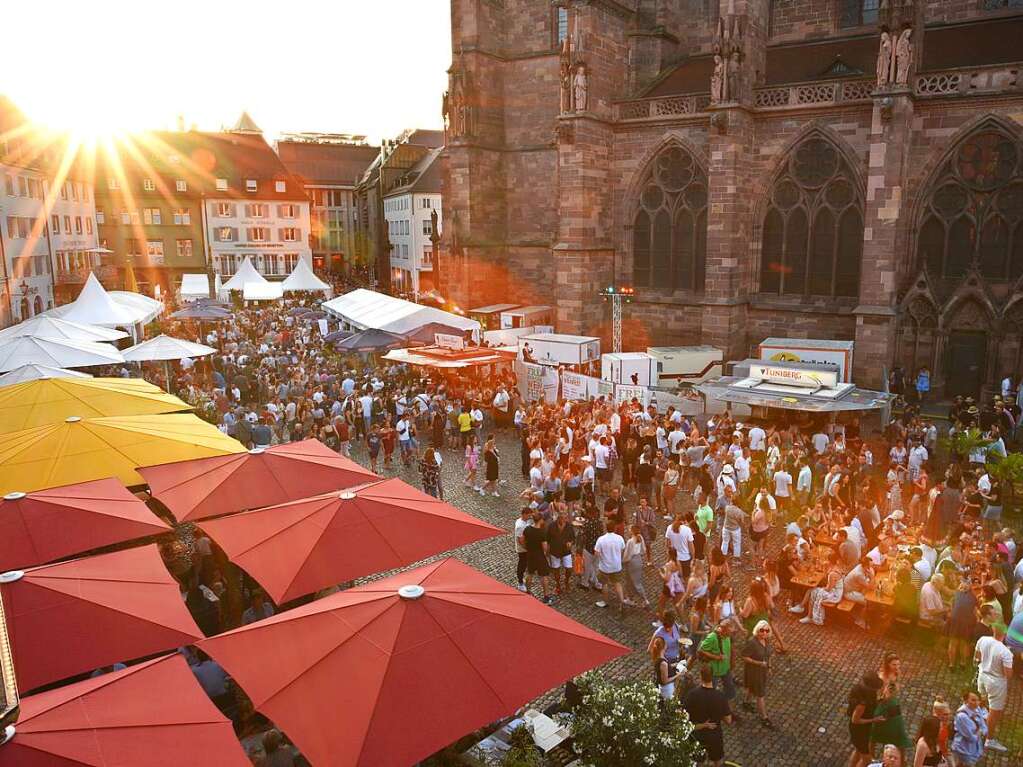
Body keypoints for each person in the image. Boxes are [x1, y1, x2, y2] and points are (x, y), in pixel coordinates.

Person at [683, 664, 733, 767]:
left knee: (698, 762)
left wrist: (702, 725)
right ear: (712, 676)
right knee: (718, 762)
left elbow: (683, 718)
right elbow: (728, 721)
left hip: (697, 735)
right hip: (714, 735)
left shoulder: (692, 695)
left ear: (701, 676)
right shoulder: (720, 696)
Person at [974, 622, 1012, 752]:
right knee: (994, 713)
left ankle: (977, 725)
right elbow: (1008, 674)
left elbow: (977, 658)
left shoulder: (982, 639)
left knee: (982, 701)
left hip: (982, 676)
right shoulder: (1006, 652)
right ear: (1005, 634)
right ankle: (989, 739)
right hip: (996, 683)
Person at [871, 653, 909, 753]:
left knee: (895, 729)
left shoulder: (896, 673)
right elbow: (878, 697)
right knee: (875, 732)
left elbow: (896, 687)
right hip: (882, 706)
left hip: (893, 704)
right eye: (894, 665)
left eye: (898, 664)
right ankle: (871, 755)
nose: (897, 667)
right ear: (887, 665)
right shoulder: (882, 678)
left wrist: (895, 690)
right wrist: (887, 695)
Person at [741, 620, 775, 729]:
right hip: (754, 671)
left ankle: (746, 702)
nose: (764, 633)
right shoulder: (752, 642)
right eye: (762, 630)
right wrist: (759, 663)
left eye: (766, 630)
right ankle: (764, 717)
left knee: (751, 688)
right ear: (757, 630)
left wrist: (769, 666)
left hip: (762, 670)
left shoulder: (767, 641)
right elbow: (744, 656)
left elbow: (768, 655)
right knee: (760, 694)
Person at [847, 672, 884, 767]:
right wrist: (874, 720)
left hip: (859, 731)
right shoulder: (862, 704)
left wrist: (881, 700)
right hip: (860, 731)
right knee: (866, 760)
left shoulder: (860, 690)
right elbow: (855, 720)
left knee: (858, 751)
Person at [698, 621, 737, 704]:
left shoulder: (727, 636)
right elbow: (700, 650)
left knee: (730, 687)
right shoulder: (712, 637)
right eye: (730, 632)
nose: (731, 634)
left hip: (725, 668)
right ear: (723, 630)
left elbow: (730, 649)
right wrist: (716, 657)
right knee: (711, 690)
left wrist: (732, 661)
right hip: (714, 670)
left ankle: (726, 704)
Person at [594, 521, 628, 611]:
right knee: (617, 584)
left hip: (604, 567)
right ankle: (621, 602)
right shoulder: (619, 538)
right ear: (615, 528)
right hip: (616, 566)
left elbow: (596, 553)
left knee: (604, 584)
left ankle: (605, 601)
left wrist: (602, 557)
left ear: (606, 528)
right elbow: (622, 549)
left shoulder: (601, 539)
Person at [950, 689, 988, 767]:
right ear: (966, 700)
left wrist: (980, 732)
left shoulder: (977, 709)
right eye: (973, 700)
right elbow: (971, 737)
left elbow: (984, 727)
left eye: (978, 700)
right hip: (963, 749)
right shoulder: (962, 716)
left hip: (974, 748)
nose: (977, 703)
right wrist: (980, 733)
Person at [523, 513, 554, 604]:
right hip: (539, 555)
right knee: (544, 576)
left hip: (530, 554)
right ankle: (546, 597)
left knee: (529, 573)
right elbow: (544, 548)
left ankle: (528, 592)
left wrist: (527, 548)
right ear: (540, 520)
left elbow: (522, 540)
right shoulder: (542, 532)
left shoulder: (527, 529)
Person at [546, 510, 575, 595]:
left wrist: (571, 543)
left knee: (569, 569)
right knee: (556, 569)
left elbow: (573, 538)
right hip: (555, 551)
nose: (564, 520)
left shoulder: (569, 527)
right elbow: (547, 539)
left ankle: (566, 581)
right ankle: (558, 585)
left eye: (565, 518)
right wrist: (547, 550)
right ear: (558, 518)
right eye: (562, 518)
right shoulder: (551, 526)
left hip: (566, 551)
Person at [623, 523, 652, 609]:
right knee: (634, 581)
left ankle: (644, 600)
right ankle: (630, 597)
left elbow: (628, 555)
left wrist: (623, 562)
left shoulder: (630, 541)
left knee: (632, 581)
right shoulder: (640, 538)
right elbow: (644, 550)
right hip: (639, 559)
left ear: (632, 531)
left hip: (632, 562)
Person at [651, 634, 681, 703]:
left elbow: (664, 667)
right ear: (664, 647)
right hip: (666, 689)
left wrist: (674, 665)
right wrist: (678, 675)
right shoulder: (663, 663)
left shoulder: (658, 656)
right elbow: (665, 681)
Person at [513, 507, 533, 593]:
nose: (530, 517)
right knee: (522, 565)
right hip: (522, 550)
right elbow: (520, 540)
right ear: (524, 514)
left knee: (524, 564)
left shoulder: (525, 521)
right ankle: (520, 582)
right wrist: (527, 548)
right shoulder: (520, 526)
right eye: (529, 515)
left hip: (525, 548)